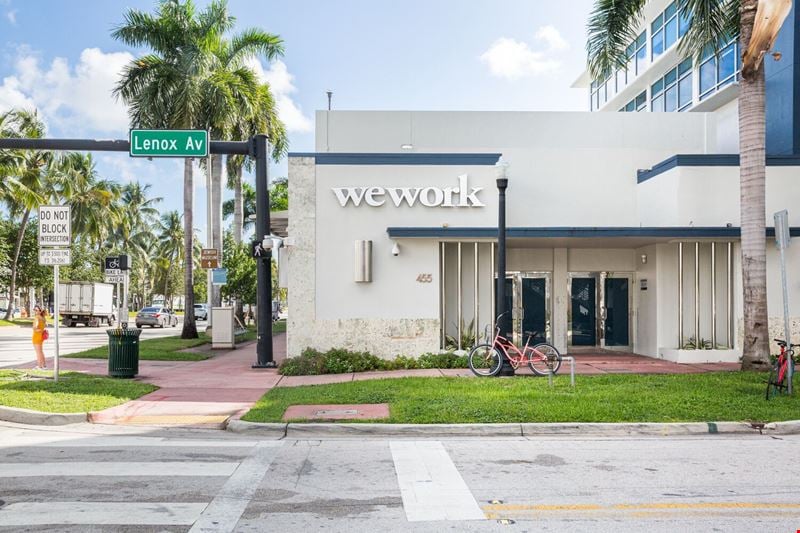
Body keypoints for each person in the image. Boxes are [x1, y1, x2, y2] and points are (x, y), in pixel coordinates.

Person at [31, 305, 47, 370]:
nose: (35, 311)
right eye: (34, 310)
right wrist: (41, 330)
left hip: (37, 336)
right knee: (41, 351)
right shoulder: (43, 318)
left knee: (38, 352)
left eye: (36, 310)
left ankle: (39, 366)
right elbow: (45, 325)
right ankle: (44, 365)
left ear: (40, 311)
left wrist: (35, 328)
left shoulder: (37, 317)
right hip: (41, 336)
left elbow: (35, 327)